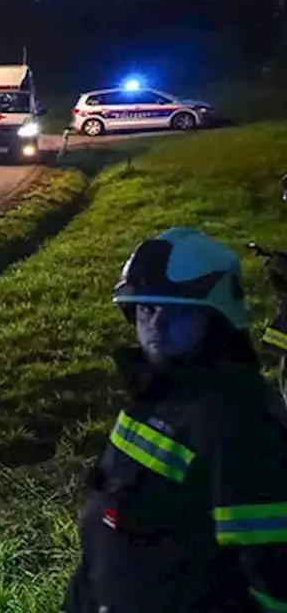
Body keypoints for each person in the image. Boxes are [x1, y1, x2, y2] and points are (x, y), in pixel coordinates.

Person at [62, 227, 287, 613]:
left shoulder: (241, 422)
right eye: (147, 309)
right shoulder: (155, 394)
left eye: (177, 311)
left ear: (215, 320)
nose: (156, 328)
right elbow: (110, 522)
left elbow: (273, 577)